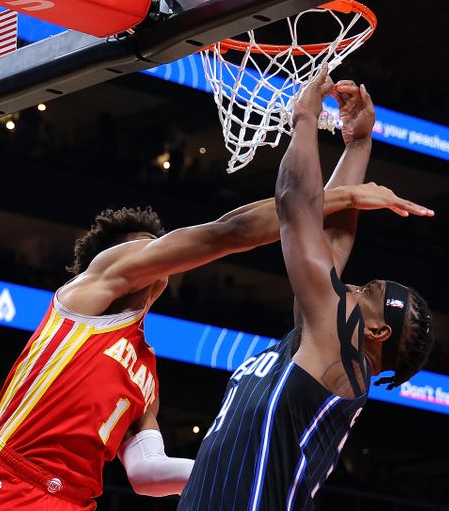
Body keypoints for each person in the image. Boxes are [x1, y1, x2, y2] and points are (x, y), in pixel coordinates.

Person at [0, 169, 421, 506]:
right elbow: (228, 232)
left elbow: (147, 475)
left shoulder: (145, 372)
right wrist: (348, 196)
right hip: (6, 482)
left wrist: (239, 466)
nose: (156, 260)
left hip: (74, 502)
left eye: (158, 253)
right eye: (144, 254)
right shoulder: (82, 302)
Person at [179, 69, 435, 510]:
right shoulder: (322, 346)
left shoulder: (338, 353)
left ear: (377, 332)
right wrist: (357, 143)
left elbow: (296, 202)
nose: (349, 284)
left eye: (365, 292)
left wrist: (305, 117)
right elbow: (326, 238)